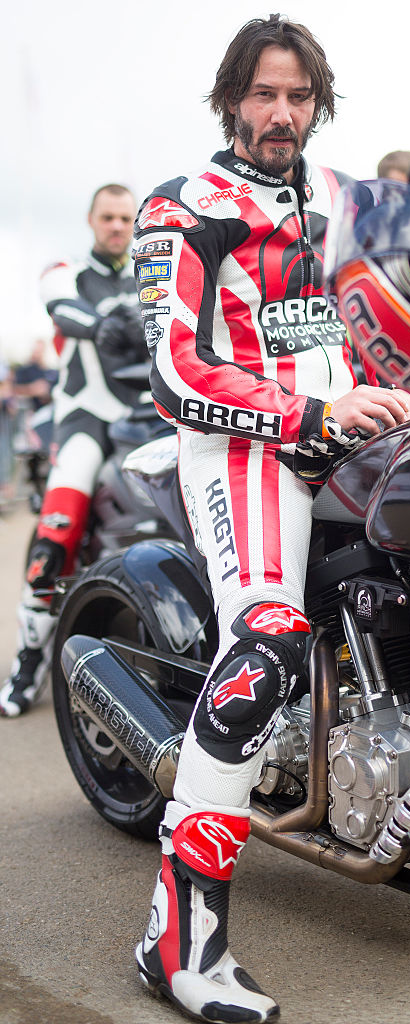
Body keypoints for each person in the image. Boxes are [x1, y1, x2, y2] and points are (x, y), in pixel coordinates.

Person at [132, 15, 410, 1023]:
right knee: (264, 641)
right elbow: (174, 367)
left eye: (298, 96)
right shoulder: (185, 202)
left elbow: (391, 315)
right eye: (264, 93)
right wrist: (309, 412)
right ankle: (176, 932)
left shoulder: (338, 203)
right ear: (231, 98)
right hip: (244, 447)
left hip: (351, 432)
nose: (280, 113)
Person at [0, 184, 143, 718]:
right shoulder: (65, 267)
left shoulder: (152, 269)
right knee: (57, 533)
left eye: (126, 217)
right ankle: (28, 660)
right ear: (90, 219)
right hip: (86, 417)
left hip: (152, 416)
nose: (117, 226)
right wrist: (105, 322)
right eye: (107, 217)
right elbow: (62, 310)